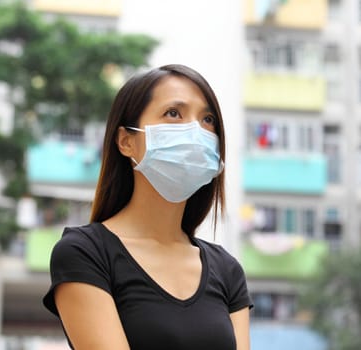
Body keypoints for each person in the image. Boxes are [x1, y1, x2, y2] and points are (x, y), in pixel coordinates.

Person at [42, 64, 253, 350]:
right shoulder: (86, 253)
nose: (195, 130)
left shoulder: (227, 270)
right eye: (174, 113)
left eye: (207, 119)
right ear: (127, 141)